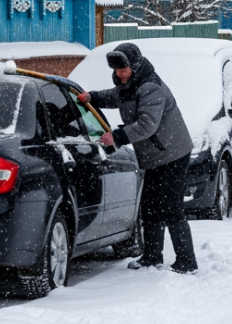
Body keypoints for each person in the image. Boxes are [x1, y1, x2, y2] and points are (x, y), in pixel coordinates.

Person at [78, 43, 199, 274]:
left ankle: (187, 262)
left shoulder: (150, 87)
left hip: (172, 154)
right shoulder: (130, 85)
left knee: (171, 208)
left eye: (123, 69)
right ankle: (152, 257)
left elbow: (147, 126)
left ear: (134, 65)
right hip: (154, 156)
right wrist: (91, 97)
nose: (119, 74)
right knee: (150, 207)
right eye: (116, 70)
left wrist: (117, 137)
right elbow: (114, 96)